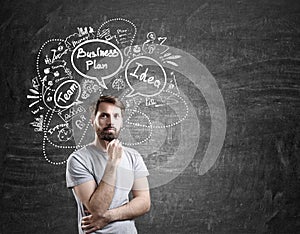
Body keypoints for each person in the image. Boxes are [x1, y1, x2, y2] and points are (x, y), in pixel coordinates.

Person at [66, 95, 151, 234]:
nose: (111, 121)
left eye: (116, 116)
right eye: (104, 116)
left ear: (122, 122)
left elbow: (144, 202)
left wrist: (109, 217)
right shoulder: (78, 160)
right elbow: (97, 209)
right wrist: (112, 163)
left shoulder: (133, 157)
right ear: (93, 121)